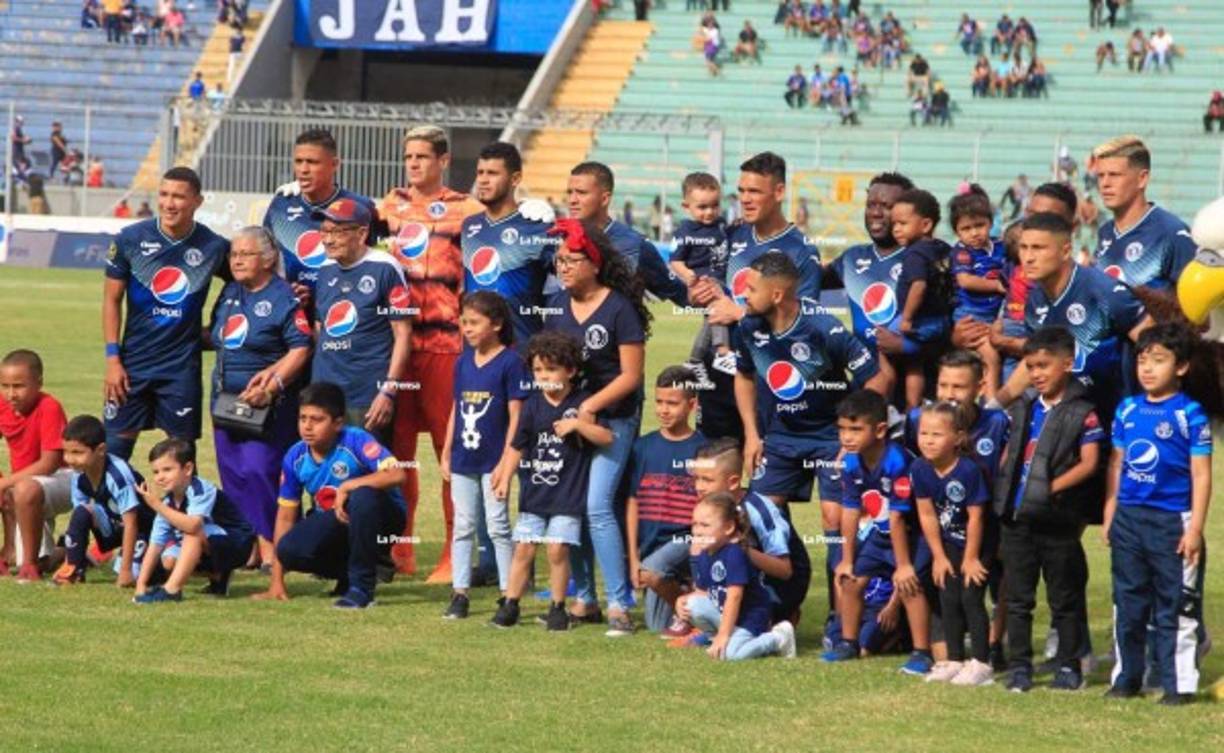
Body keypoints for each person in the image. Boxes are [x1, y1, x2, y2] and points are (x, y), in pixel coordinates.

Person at [375, 124, 512, 581]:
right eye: (408, 156)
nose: (413, 164)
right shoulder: (388, 207)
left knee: (449, 452)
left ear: (443, 161)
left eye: (422, 157)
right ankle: (400, 550)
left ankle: (456, 554)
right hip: (397, 349)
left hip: (445, 348)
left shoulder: (467, 210)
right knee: (398, 457)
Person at [733, 253, 887, 625]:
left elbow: (876, 377)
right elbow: (744, 377)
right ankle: (776, 607)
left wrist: (850, 438)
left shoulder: (822, 327)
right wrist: (753, 435)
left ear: (777, 294)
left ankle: (841, 618)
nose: (743, 295)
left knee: (835, 520)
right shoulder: (748, 327)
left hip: (827, 439)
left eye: (751, 288)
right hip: (780, 439)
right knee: (759, 519)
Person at [542, 219, 649, 636]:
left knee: (598, 506)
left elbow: (631, 376)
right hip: (572, 420)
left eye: (571, 260)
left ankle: (620, 602)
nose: (563, 267)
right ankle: (584, 598)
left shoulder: (619, 308)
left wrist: (588, 406)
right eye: (559, 261)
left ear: (594, 263)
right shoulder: (555, 306)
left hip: (615, 417)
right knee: (572, 509)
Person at [1103, 324, 1210, 705]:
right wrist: (1111, 509)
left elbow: (1201, 474)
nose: (1147, 369)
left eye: (1158, 361)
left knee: (1175, 607)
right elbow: (1117, 464)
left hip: (1172, 522)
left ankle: (1177, 684)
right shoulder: (1128, 409)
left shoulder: (1190, 414)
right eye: (1142, 361)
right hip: (1130, 518)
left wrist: (1194, 528)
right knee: (1127, 603)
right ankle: (1126, 677)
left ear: (1180, 367)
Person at [994, 327, 1104, 693]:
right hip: (1018, 519)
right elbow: (1012, 451)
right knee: (1018, 598)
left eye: (1044, 365)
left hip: (1058, 521)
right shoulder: (1024, 408)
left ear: (1068, 364)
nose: (1037, 373)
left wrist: (1051, 488)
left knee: (1065, 598)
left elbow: (1089, 463)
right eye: (1030, 366)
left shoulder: (1083, 412)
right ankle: (1020, 667)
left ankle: (1069, 665)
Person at [102, 167, 230, 463]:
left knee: (182, 461)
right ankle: (115, 511)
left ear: (197, 201)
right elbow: (111, 300)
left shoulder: (213, 246)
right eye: (164, 194)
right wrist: (112, 360)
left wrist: (218, 327)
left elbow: (246, 284)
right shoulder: (129, 240)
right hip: (132, 365)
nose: (169, 203)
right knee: (113, 459)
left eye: (179, 197)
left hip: (181, 369)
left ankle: (182, 511)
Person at [489, 332, 613, 630]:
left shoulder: (583, 403)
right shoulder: (532, 405)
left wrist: (578, 425)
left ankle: (558, 607)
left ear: (570, 370)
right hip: (535, 494)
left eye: (551, 369)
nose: (544, 376)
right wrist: (505, 477)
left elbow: (607, 437)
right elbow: (517, 445)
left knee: (557, 549)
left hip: (568, 495)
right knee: (524, 549)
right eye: (538, 370)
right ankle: (511, 604)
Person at [206, 226, 312, 572]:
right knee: (233, 474)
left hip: (267, 408)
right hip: (224, 402)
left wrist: (274, 384)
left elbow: (301, 347)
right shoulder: (230, 293)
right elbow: (216, 337)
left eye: (246, 254)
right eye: (234, 254)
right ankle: (246, 547)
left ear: (268, 259)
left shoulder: (284, 297)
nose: (237, 260)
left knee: (260, 471)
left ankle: (273, 548)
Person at [259, 382, 408, 608]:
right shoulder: (295, 456)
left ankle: (361, 589)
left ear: (338, 423)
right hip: (336, 523)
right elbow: (286, 517)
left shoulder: (356, 439)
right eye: (303, 418)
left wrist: (350, 485)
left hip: (383, 517)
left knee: (362, 496)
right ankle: (352, 572)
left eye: (317, 420)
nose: (307, 426)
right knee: (289, 550)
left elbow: (397, 474)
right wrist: (276, 582)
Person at [823, 390, 934, 675]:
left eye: (855, 429)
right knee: (851, 581)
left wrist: (904, 564)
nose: (846, 437)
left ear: (881, 429)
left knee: (910, 586)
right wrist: (847, 558)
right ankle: (848, 643)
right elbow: (849, 510)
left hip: (911, 537)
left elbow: (898, 517)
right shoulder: (849, 462)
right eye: (842, 430)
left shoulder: (898, 462)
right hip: (880, 536)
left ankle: (922, 652)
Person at [439, 292, 527, 619]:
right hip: (464, 459)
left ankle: (509, 593)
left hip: (494, 460)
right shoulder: (462, 362)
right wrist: (447, 450)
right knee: (463, 525)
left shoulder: (511, 363)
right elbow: (456, 409)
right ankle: (460, 593)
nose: (467, 329)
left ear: (497, 325)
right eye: (464, 322)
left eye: (475, 323)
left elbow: (516, 415)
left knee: (498, 525)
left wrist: (506, 461)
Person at [310, 198, 411, 444]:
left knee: (367, 475)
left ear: (362, 233)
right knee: (324, 473)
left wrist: (388, 391)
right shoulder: (324, 269)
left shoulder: (385, 268)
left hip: (366, 395)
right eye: (324, 231)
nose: (328, 239)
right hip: (324, 394)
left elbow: (403, 334)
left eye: (337, 232)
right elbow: (320, 328)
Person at [686, 438, 810, 639]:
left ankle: (778, 619)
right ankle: (716, 629)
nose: (699, 487)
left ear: (733, 482)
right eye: (697, 478)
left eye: (707, 480)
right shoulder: (708, 508)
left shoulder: (759, 509)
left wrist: (742, 550)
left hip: (777, 588)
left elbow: (785, 570)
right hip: (737, 586)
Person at [912, 402, 995, 686]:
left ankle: (982, 663)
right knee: (948, 597)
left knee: (971, 598)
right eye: (923, 433)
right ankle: (955, 659)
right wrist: (938, 555)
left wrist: (971, 558)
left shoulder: (970, 470)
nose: (928, 440)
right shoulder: (919, 469)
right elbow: (926, 514)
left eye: (936, 434)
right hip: (947, 543)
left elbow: (977, 518)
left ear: (958, 438)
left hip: (978, 543)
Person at [626, 366, 705, 635]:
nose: (663, 410)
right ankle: (684, 596)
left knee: (652, 569)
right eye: (659, 402)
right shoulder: (642, 447)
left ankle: (687, 608)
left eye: (672, 403)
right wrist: (633, 554)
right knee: (656, 626)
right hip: (651, 547)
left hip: (686, 540)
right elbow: (632, 501)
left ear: (692, 405)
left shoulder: (702, 449)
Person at [674, 492, 798, 660]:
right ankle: (715, 639)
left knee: (732, 655)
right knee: (692, 605)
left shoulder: (734, 553)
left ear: (729, 527)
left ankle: (777, 637)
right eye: (695, 524)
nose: (697, 531)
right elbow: (704, 592)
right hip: (727, 614)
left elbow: (735, 596)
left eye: (705, 525)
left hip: (750, 618)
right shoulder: (705, 553)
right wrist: (682, 600)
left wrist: (725, 634)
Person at [132, 439, 255, 602]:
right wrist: (141, 585)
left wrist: (156, 505)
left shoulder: (200, 490)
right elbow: (155, 545)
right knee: (168, 561)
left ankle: (171, 591)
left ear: (188, 468)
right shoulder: (167, 503)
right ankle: (218, 577)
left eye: (167, 470)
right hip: (209, 543)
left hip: (237, 544)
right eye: (155, 472)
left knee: (192, 531)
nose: (160, 477)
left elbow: (193, 525)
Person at [460, 142, 556, 348]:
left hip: (520, 350)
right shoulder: (469, 226)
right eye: (480, 172)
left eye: (492, 173)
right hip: (475, 353)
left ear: (515, 179)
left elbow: (566, 283)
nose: (483, 180)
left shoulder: (537, 227)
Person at [265, 129, 374, 297]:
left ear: (335, 164)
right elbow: (265, 263)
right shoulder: (280, 205)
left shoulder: (361, 207)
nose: (303, 169)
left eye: (312, 162)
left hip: (343, 310)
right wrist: (283, 292)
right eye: (298, 161)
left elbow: (377, 267)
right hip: (293, 314)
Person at [566, 161, 688, 307]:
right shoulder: (558, 239)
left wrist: (716, 304)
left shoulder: (634, 245)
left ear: (604, 199)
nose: (572, 200)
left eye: (581, 193)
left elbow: (679, 293)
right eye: (570, 192)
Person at [52, 415, 153, 586]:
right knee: (82, 511)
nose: (69, 459)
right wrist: (74, 553)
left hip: (142, 530)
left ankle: (153, 563)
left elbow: (132, 522)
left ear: (100, 450)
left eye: (77, 452)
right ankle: (73, 569)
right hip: (113, 525)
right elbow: (79, 517)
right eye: (66, 451)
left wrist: (126, 570)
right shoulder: (79, 474)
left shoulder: (118, 475)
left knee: (132, 577)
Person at [822, 172, 914, 357]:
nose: (876, 213)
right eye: (871, 205)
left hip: (912, 377)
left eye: (886, 206)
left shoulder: (921, 259)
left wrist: (906, 346)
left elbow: (943, 328)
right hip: (864, 378)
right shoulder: (851, 258)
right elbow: (805, 278)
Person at [0, 350, 71, 582]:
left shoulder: (50, 407)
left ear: (39, 382)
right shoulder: (3, 405)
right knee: (17, 487)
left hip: (61, 479)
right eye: (5, 386)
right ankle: (64, 553)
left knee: (22, 488)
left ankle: (28, 568)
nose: (11, 394)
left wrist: (5, 483)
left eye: (19, 386)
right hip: (27, 483)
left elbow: (49, 463)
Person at [1092, 136, 1196, 290]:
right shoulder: (1105, 232)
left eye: (1114, 175)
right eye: (1100, 176)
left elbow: (1194, 302)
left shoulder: (1171, 234)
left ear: (1142, 179)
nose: (1105, 184)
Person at [889, 188, 954, 408]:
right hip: (942, 320)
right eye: (894, 224)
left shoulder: (915, 253)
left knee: (879, 342)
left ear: (926, 225)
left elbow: (918, 285)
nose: (896, 229)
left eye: (902, 223)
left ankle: (891, 399)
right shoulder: (944, 249)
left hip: (920, 319)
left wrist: (907, 317)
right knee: (916, 365)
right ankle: (917, 405)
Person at [949, 189, 1007, 396]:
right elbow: (965, 280)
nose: (974, 233)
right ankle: (992, 402)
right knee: (990, 356)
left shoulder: (1002, 246)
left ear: (990, 223)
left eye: (979, 225)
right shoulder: (962, 252)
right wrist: (997, 286)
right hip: (971, 316)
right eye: (966, 228)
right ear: (957, 232)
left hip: (997, 315)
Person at [668, 172, 730, 366]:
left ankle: (695, 361)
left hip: (723, 283)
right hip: (702, 285)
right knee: (718, 307)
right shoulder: (685, 231)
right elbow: (675, 261)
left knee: (710, 320)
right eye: (702, 207)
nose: (709, 212)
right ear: (686, 207)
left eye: (714, 205)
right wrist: (688, 275)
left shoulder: (721, 226)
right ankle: (722, 351)